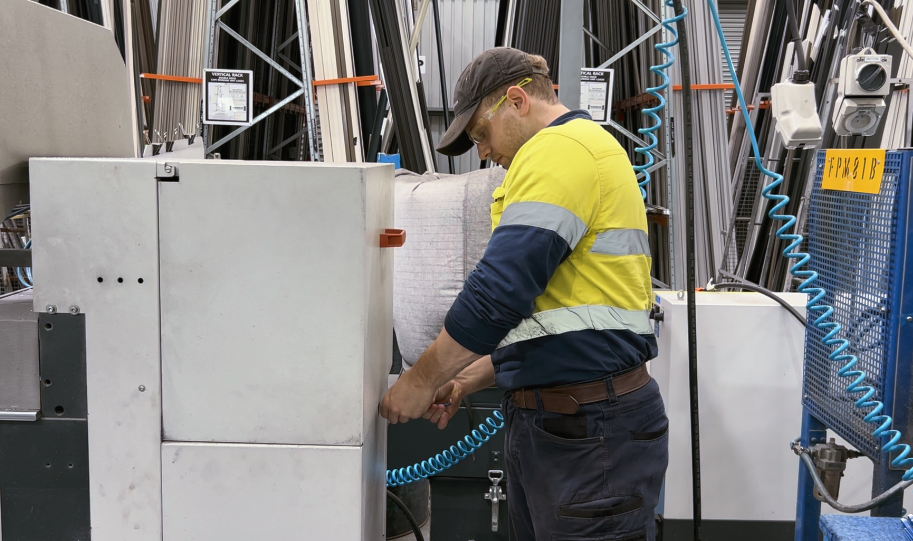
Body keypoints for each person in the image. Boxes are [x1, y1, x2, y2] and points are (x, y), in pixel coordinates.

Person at [380, 47, 668, 541]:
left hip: (590, 434)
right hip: (567, 426)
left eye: (481, 135)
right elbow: (560, 315)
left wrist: (421, 379)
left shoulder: (560, 152)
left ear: (516, 101)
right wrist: (469, 378)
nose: (483, 152)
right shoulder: (571, 153)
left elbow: (498, 293)